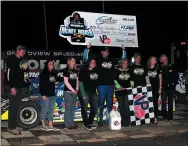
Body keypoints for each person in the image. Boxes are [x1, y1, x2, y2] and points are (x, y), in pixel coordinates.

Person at [83, 43, 127, 127]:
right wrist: (87, 48)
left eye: (107, 51)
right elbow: (86, 59)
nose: (106, 52)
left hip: (111, 85)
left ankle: (108, 119)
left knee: (110, 103)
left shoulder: (112, 60)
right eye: (104, 51)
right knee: (101, 103)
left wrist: (123, 50)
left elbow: (122, 60)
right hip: (101, 85)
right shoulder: (97, 59)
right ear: (101, 52)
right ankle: (99, 120)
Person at [6, 45, 26, 135]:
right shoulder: (11, 59)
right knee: (13, 107)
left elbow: (21, 74)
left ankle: (14, 124)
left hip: (19, 87)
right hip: (12, 86)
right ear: (17, 50)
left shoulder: (20, 61)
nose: (23, 53)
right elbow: (8, 74)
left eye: (24, 52)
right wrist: (12, 87)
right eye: (22, 51)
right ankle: (11, 127)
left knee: (17, 106)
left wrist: (25, 69)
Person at [39, 60, 60, 131]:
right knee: (44, 109)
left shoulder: (54, 73)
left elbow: (58, 79)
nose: (51, 65)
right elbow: (41, 85)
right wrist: (43, 94)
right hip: (45, 95)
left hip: (52, 94)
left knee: (51, 110)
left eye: (52, 64)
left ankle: (50, 125)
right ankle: (43, 124)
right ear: (47, 65)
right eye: (50, 64)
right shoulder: (43, 74)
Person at [79, 58, 99, 130]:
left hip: (93, 92)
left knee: (95, 108)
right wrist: (83, 94)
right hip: (85, 91)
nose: (94, 63)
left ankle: (90, 122)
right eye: (92, 62)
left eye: (94, 62)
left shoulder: (96, 71)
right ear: (89, 63)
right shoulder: (83, 71)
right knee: (84, 108)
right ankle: (86, 123)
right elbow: (80, 83)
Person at [160, 54, 178, 121]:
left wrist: (174, 83)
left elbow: (176, 75)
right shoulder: (160, 67)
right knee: (163, 103)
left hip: (171, 88)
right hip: (164, 88)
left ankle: (170, 116)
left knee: (171, 103)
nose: (165, 60)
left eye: (166, 59)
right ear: (161, 60)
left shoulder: (172, 66)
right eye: (163, 59)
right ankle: (164, 116)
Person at [114, 58, 131, 127]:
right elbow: (114, 80)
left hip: (127, 91)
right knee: (121, 107)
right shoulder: (117, 71)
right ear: (121, 64)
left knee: (127, 107)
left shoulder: (129, 71)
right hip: (119, 92)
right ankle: (123, 122)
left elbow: (132, 81)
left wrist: (131, 87)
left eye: (126, 63)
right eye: (124, 63)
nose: (125, 64)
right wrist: (119, 87)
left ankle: (128, 121)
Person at [63, 57, 79, 129]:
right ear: (69, 62)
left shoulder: (76, 71)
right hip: (68, 92)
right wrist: (73, 90)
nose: (74, 62)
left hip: (74, 92)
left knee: (73, 108)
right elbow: (66, 82)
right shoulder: (66, 71)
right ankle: (67, 124)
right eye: (73, 61)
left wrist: (77, 89)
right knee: (68, 108)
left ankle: (72, 123)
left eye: (74, 61)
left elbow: (77, 81)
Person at [147, 56, 162, 124]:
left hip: (156, 88)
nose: (154, 61)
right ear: (150, 61)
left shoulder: (158, 68)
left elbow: (160, 78)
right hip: (149, 88)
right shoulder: (147, 68)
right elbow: (146, 78)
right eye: (153, 60)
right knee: (149, 103)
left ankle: (155, 117)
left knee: (155, 103)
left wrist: (160, 88)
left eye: (155, 60)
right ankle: (150, 118)